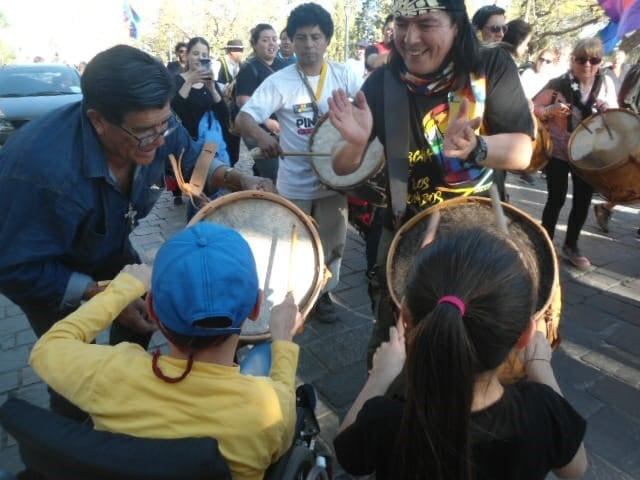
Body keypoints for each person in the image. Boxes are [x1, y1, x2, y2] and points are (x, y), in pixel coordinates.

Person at [0, 44, 273, 422]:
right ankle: (74, 444)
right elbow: (14, 268)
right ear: (97, 120)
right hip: (49, 271)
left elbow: (188, 155)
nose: (160, 140)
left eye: (165, 125)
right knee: (70, 367)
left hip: (108, 245)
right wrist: (103, 294)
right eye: (146, 133)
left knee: (141, 319)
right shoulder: (36, 171)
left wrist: (233, 176)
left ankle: (129, 404)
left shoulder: (156, 124)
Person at [328, 0, 533, 363]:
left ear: (456, 25)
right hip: (407, 230)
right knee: (394, 344)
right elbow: (341, 167)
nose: (410, 38)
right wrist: (356, 143)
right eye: (402, 23)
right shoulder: (384, 82)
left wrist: (476, 147)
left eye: (426, 24)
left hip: (480, 230)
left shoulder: (490, 67)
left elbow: (522, 151)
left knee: (476, 352)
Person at [30, 222, 302, 480]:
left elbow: (48, 348)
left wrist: (123, 288)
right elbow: (285, 403)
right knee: (265, 357)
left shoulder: (108, 374)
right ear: (256, 309)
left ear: (153, 310)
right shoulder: (271, 410)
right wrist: (284, 341)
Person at [333, 227, 588, 480]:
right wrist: (541, 366)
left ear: (407, 319)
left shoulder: (386, 420)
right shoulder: (542, 412)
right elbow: (575, 469)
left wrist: (379, 376)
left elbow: (348, 456)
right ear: (525, 335)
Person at [237, 2, 361, 324]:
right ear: (291, 40)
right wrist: (264, 138)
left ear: (327, 41)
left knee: (334, 244)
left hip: (336, 180)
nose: (308, 45)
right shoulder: (280, 81)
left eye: (316, 37)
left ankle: (323, 295)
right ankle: (295, 296)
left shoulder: (343, 75)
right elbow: (243, 117)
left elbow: (367, 109)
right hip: (295, 182)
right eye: (301, 37)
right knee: (296, 245)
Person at [533, 37, 617, 269]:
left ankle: (571, 245)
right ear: (573, 61)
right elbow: (534, 107)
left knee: (582, 200)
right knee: (556, 198)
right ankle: (545, 244)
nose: (587, 64)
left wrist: (607, 110)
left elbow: (615, 115)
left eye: (594, 59)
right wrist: (551, 109)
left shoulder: (606, 84)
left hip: (589, 153)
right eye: (582, 59)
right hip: (559, 151)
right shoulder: (558, 83)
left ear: (601, 61)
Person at [171, 37, 233, 176]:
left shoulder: (211, 82)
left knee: (214, 185)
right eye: (196, 53)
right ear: (187, 56)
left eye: (204, 55)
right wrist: (189, 82)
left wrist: (211, 89)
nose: (200, 58)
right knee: (197, 189)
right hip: (189, 146)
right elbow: (176, 111)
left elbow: (223, 114)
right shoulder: (177, 81)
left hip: (213, 145)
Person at [592, 60, 640, 238]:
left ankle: (605, 208)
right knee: (632, 179)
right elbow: (626, 100)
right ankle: (605, 207)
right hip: (635, 129)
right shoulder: (638, 70)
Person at [234, 23, 286, 181]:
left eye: (274, 39)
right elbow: (243, 101)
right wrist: (267, 121)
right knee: (274, 174)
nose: (271, 44)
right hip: (258, 130)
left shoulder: (282, 65)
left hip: (281, 130)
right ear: (255, 44)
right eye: (265, 40)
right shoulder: (249, 68)